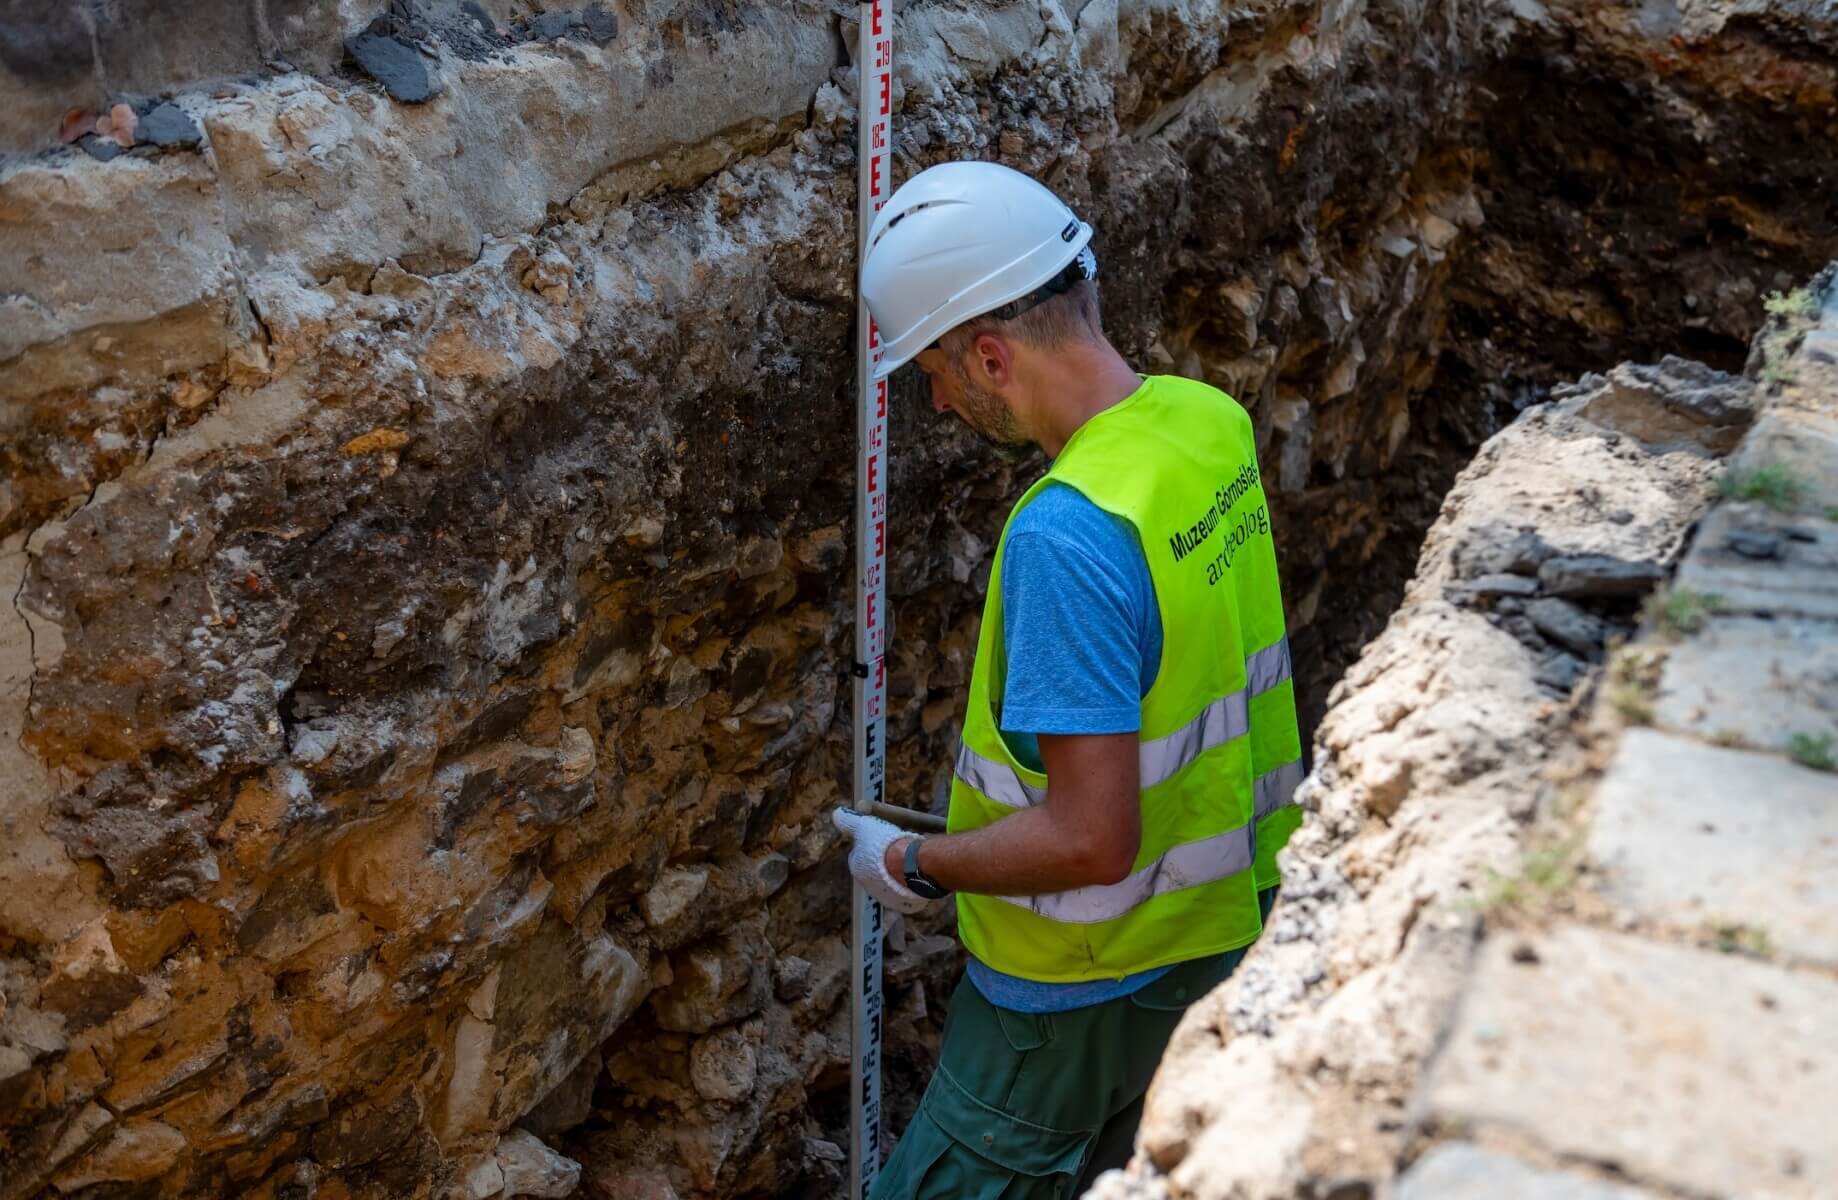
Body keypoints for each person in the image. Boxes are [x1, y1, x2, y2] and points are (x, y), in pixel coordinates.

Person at [832, 160, 1305, 1199]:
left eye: (937, 372)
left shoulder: (1066, 534)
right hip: (1220, 938)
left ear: (992, 356)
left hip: (1069, 992)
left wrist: (912, 861)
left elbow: (1090, 839)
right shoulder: (1200, 421)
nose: (939, 400)